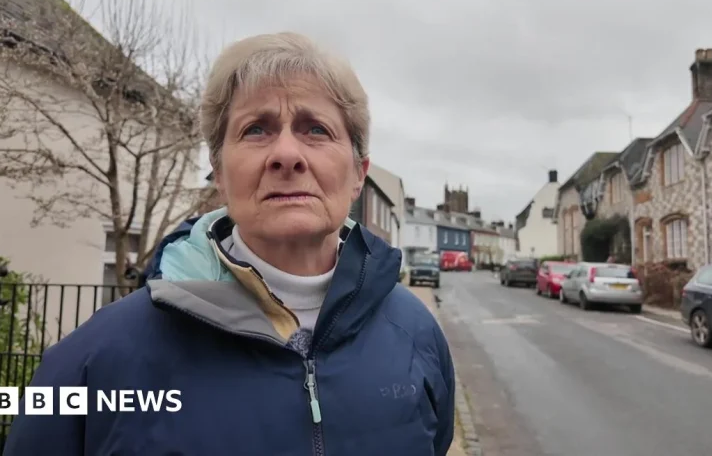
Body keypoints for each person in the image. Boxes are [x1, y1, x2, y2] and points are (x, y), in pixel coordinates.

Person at [5, 32, 455, 456]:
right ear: (219, 173)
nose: (286, 154)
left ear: (359, 173)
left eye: (315, 128)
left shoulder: (417, 336)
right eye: (256, 129)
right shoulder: (89, 366)